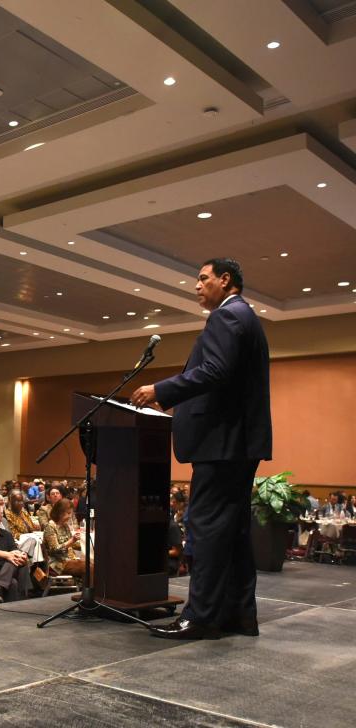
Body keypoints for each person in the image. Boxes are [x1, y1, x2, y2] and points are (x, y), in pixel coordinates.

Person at [132, 258, 271, 640]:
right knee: (234, 533)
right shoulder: (245, 317)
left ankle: (201, 617)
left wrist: (162, 390)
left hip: (222, 444)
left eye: (202, 278)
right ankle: (239, 615)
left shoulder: (228, 317)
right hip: (237, 443)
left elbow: (215, 371)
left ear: (226, 281)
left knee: (206, 528)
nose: (196, 286)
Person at [42, 499, 84, 578]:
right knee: (88, 568)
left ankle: (87, 589)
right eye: (68, 513)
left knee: (91, 564)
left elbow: (73, 544)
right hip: (57, 563)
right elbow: (55, 549)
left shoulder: (65, 526)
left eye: (71, 513)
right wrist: (72, 540)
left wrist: (84, 543)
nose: (70, 516)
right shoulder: (50, 527)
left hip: (68, 559)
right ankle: (90, 590)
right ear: (59, 512)